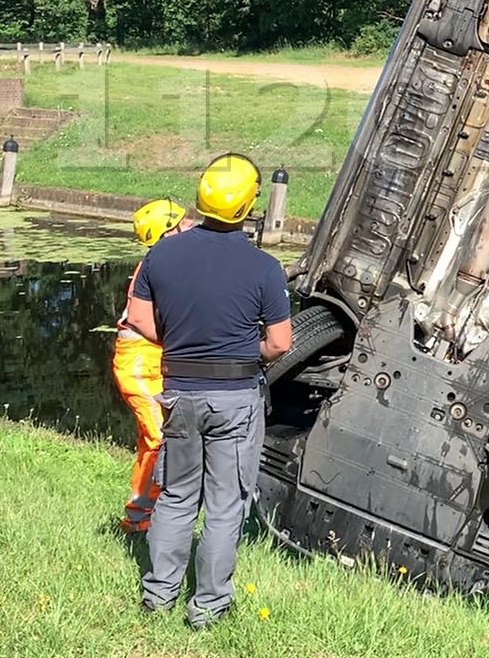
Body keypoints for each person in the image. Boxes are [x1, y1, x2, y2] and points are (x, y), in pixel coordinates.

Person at [130, 153, 292, 628]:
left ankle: (157, 596)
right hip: (236, 398)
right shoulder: (264, 267)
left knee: (177, 496)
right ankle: (207, 608)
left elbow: (139, 319)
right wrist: (247, 351)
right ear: (247, 205)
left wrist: (182, 344)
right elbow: (280, 342)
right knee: (225, 505)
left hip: (179, 392)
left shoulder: (161, 253)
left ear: (201, 198)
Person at [114, 198, 195, 533]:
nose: (190, 223)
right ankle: (140, 517)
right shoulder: (155, 267)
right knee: (161, 437)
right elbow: (143, 318)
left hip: (154, 359)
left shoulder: (170, 260)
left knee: (156, 440)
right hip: (139, 364)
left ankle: (145, 512)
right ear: (168, 233)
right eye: (182, 221)